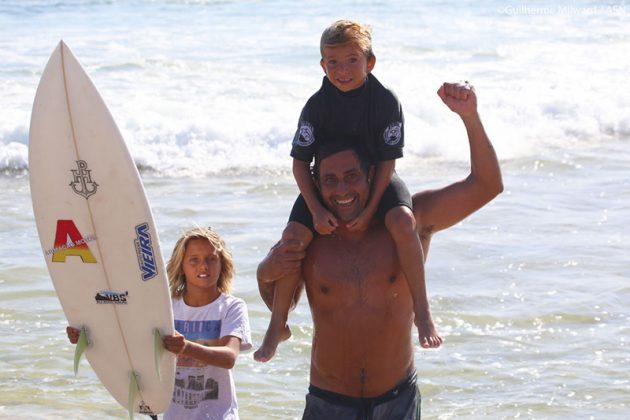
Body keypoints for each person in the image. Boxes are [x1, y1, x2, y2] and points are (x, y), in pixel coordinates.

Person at [257, 82, 503, 419]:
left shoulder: (412, 222)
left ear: (372, 175)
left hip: (396, 401)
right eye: (330, 180)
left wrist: (470, 118)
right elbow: (280, 303)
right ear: (316, 184)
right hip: (329, 403)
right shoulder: (310, 235)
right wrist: (265, 271)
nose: (342, 189)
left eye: (352, 176)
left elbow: (487, 186)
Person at [254, 19, 440, 363]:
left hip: (375, 180)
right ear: (322, 65)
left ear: (370, 62)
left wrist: (371, 211)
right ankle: (276, 325)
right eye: (333, 62)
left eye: (352, 60)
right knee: (293, 238)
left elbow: (387, 163)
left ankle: (423, 311)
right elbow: (299, 165)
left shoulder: (385, 101)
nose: (342, 70)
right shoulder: (316, 105)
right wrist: (316, 210)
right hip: (322, 185)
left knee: (402, 221)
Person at [67, 226, 252, 420]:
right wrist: (88, 337)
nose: (203, 266)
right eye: (194, 260)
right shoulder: (165, 307)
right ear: (182, 266)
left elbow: (229, 357)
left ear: (222, 263)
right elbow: (129, 343)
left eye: (211, 259)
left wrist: (186, 347)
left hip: (219, 416)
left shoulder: (232, 307)